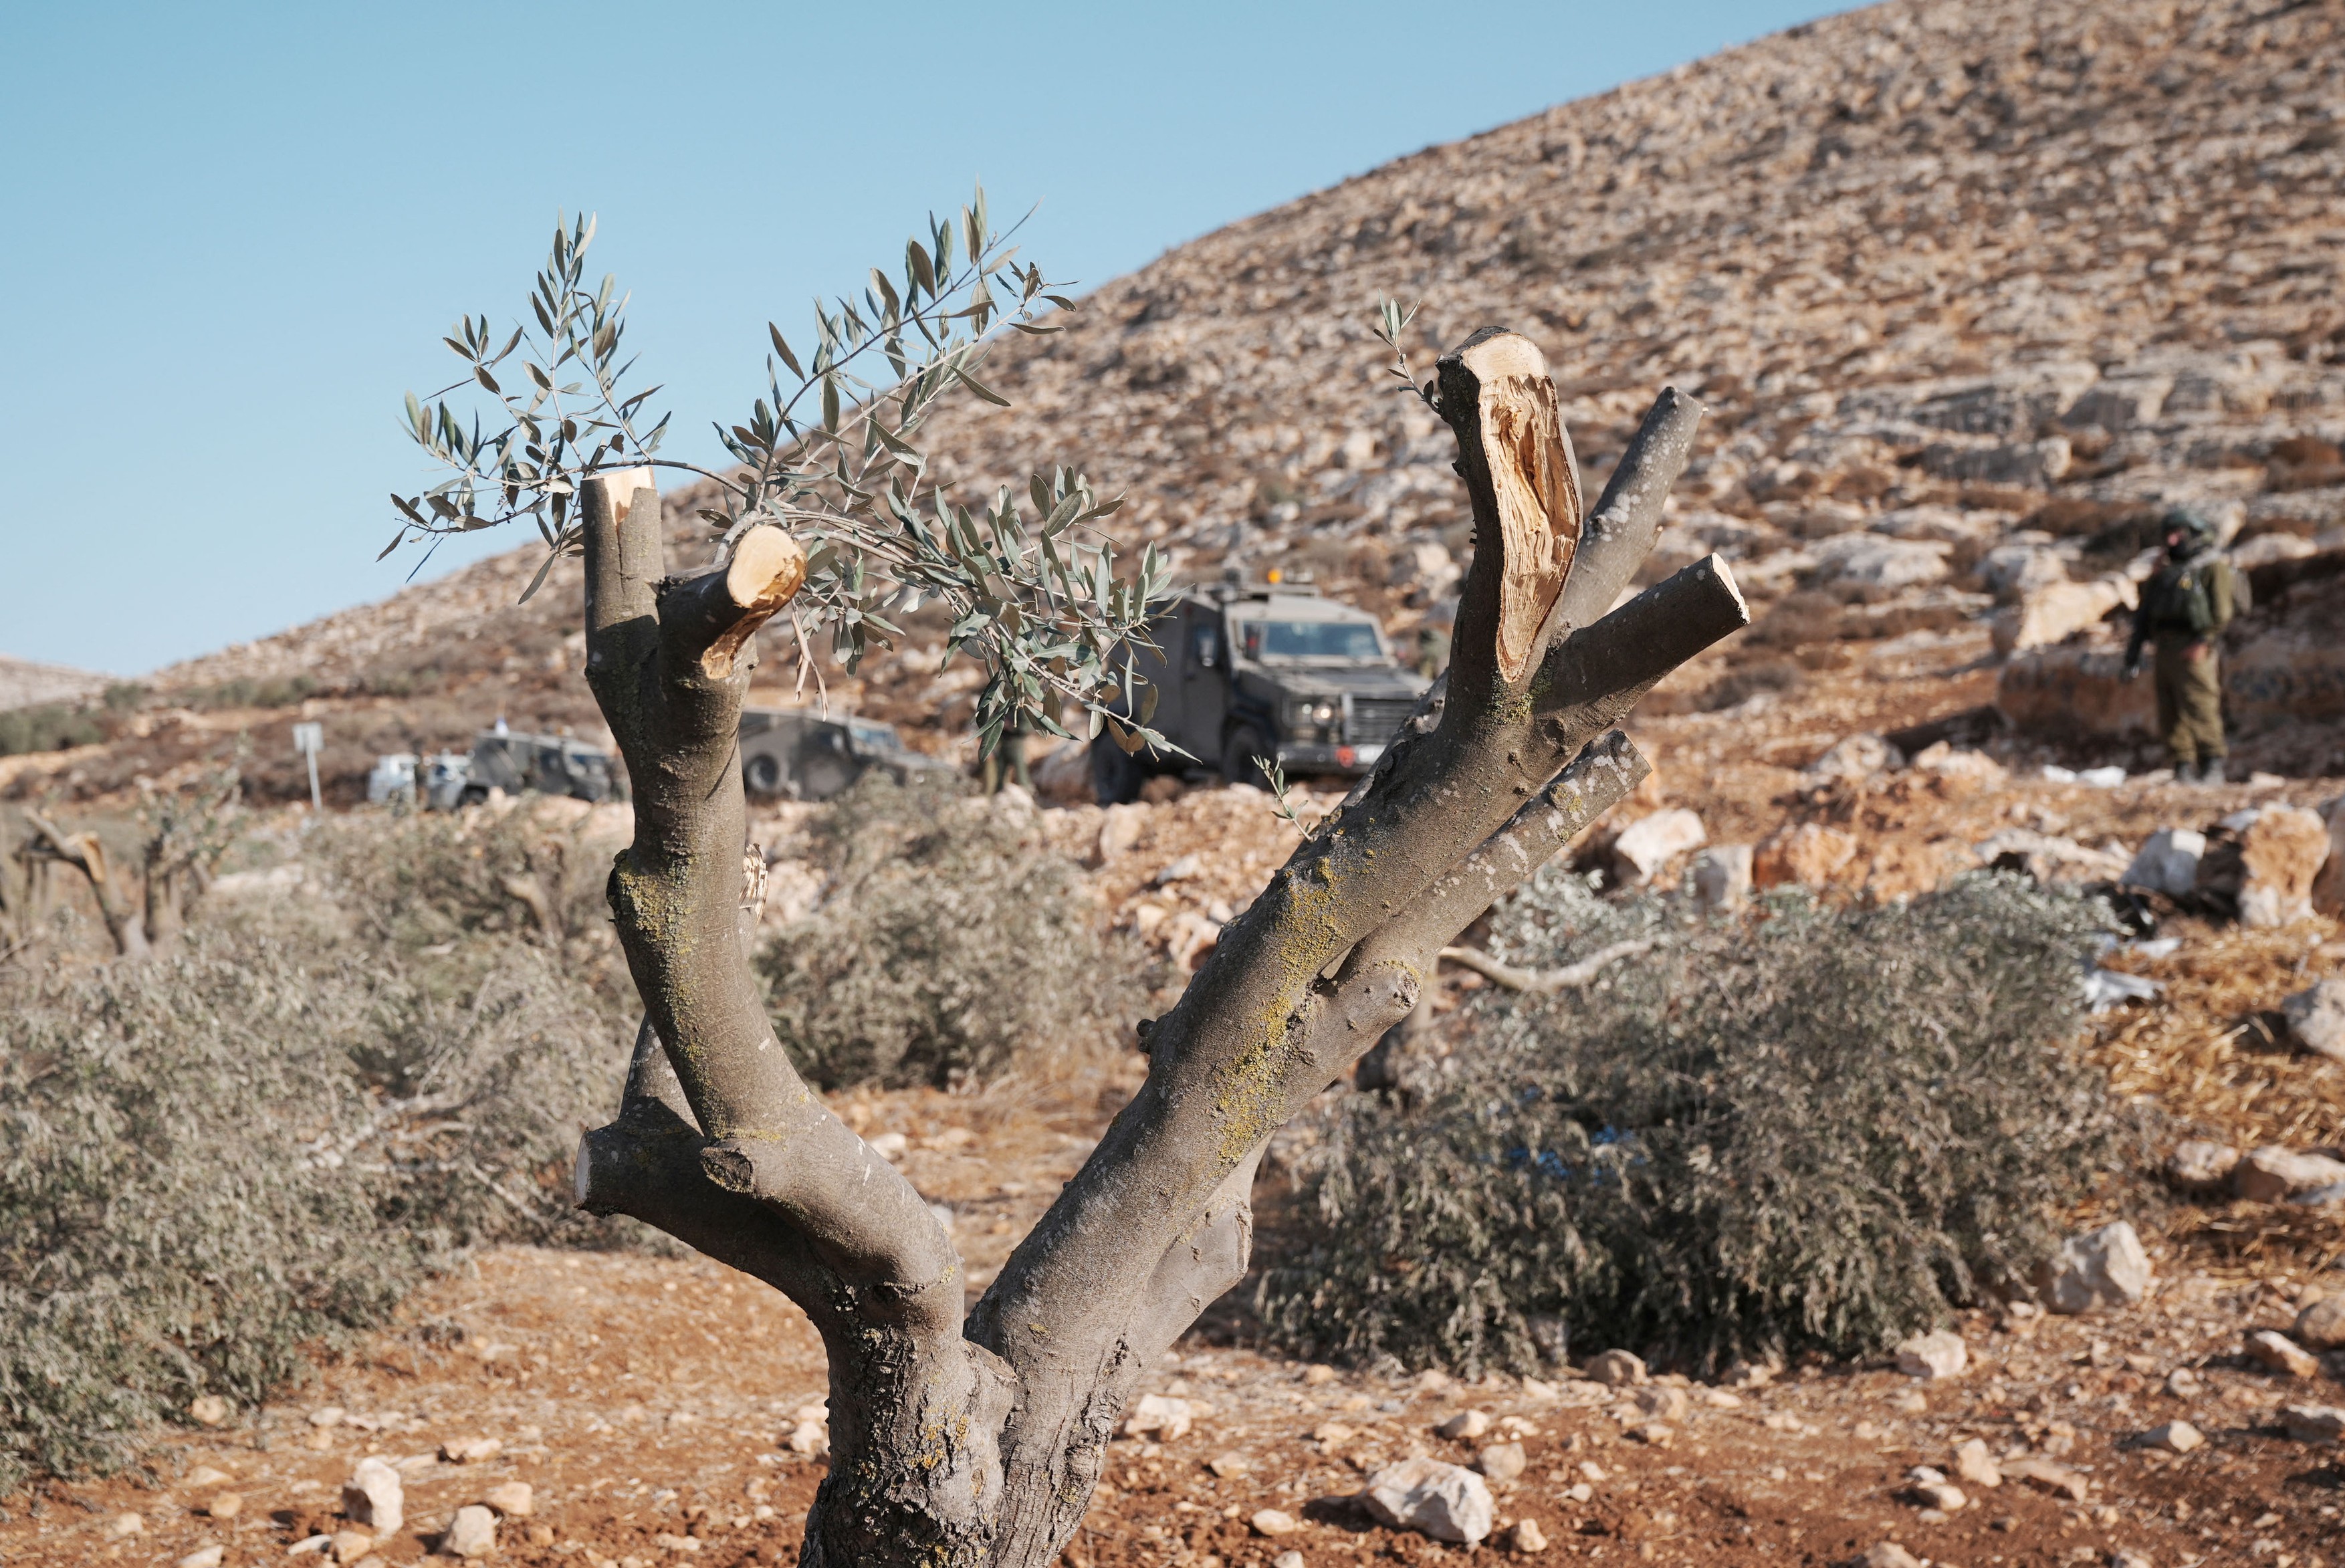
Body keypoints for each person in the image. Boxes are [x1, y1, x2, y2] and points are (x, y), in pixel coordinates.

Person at [2123, 506, 2247, 784]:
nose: (2171, 541)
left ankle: (2212, 765)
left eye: (2178, 534)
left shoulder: (2212, 566)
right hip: (2164, 648)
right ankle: (2181, 767)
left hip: (2194, 648)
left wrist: (2204, 641)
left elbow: (2221, 612)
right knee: (2169, 712)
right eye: (2168, 535)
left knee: (2200, 705)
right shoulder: (2166, 571)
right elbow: (2145, 613)